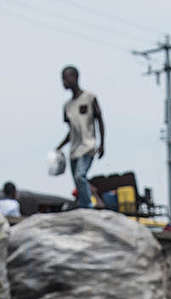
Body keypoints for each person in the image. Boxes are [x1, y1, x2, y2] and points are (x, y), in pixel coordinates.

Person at [56, 65, 104, 209]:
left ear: (75, 77)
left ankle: (88, 205)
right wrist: (59, 146)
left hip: (88, 145)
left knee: (80, 175)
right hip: (74, 149)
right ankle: (83, 205)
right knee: (77, 181)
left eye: (66, 78)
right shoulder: (67, 106)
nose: (63, 82)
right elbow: (72, 131)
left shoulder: (90, 98)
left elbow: (99, 120)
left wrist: (102, 144)